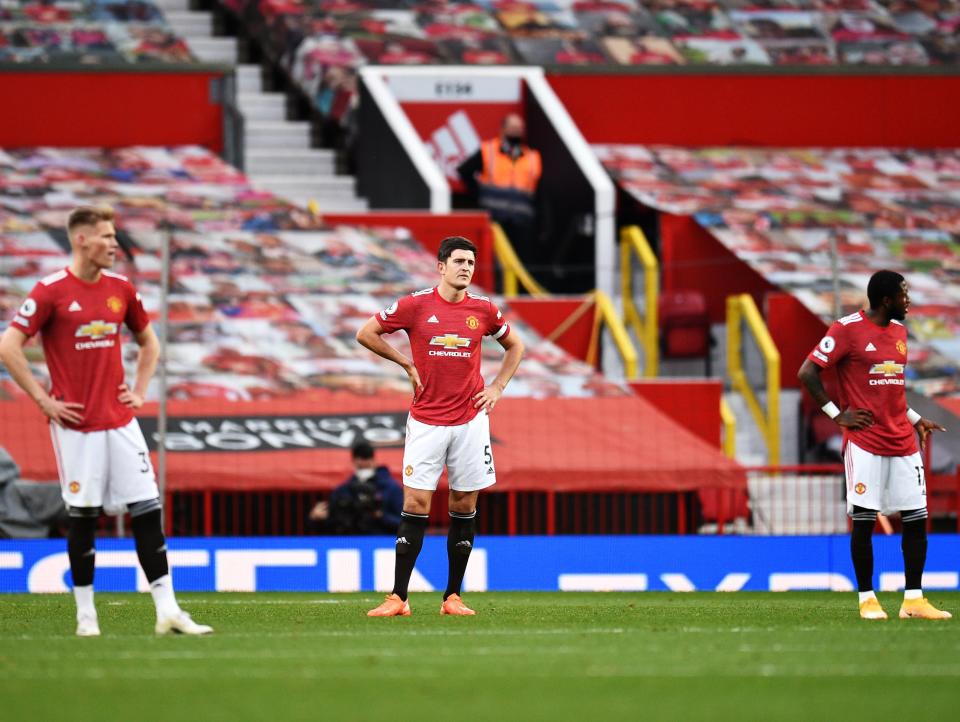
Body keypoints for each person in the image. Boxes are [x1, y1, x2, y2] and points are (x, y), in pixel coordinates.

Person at [0, 205, 212, 636]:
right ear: (81, 239)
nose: (115, 244)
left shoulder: (121, 288)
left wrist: (139, 390)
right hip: (76, 426)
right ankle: (86, 617)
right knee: (83, 514)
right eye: (106, 237)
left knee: (147, 509)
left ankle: (168, 610)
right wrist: (43, 400)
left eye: (115, 237)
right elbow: (9, 347)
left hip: (120, 422)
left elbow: (149, 343)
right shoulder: (50, 291)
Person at [356, 236, 524, 616]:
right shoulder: (415, 305)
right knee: (415, 502)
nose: (466, 267)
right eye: (460, 261)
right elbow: (365, 333)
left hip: (470, 421)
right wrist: (406, 363)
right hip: (427, 420)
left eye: (471, 262)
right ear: (441, 266)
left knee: (464, 503)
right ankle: (399, 598)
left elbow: (516, 346)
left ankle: (452, 597)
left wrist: (497, 386)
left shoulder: (483, 311)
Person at [798, 270, 951, 621]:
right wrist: (837, 415)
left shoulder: (899, 332)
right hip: (865, 441)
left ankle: (913, 600)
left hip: (903, 440)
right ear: (886, 299)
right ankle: (868, 599)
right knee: (864, 520)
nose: (908, 299)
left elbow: (890, 391)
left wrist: (915, 420)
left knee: (916, 518)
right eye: (903, 293)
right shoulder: (846, 328)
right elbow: (807, 372)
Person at [457, 114, 543, 264]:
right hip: (495, 219)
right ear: (503, 129)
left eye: (519, 129)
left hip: (522, 222)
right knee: (495, 262)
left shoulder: (532, 157)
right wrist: (479, 197)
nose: (516, 132)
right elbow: (464, 171)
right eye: (513, 128)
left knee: (523, 262)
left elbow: (538, 190)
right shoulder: (488, 150)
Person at [308, 440, 403, 535]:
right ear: (353, 463)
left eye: (367, 465)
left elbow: (404, 524)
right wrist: (316, 518)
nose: (363, 468)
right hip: (349, 543)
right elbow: (330, 525)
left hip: (381, 542)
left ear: (374, 461)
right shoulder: (343, 490)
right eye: (360, 466)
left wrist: (380, 515)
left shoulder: (390, 488)